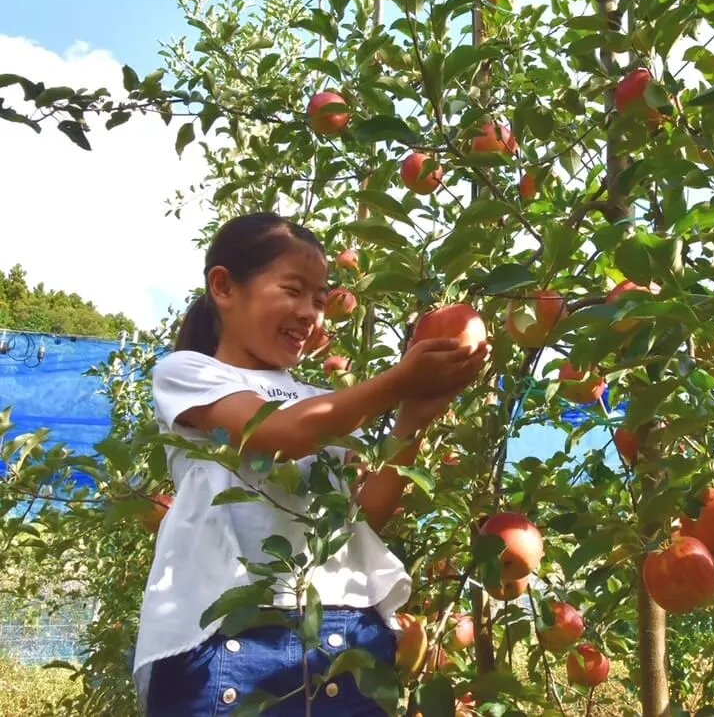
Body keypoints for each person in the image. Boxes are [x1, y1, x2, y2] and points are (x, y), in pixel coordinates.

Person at [134, 212, 487, 716]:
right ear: (224, 286)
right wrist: (398, 382)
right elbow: (278, 436)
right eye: (293, 290)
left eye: (320, 300)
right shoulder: (189, 373)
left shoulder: (325, 402)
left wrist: (414, 418)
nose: (310, 314)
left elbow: (366, 517)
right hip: (229, 635)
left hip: (347, 634)